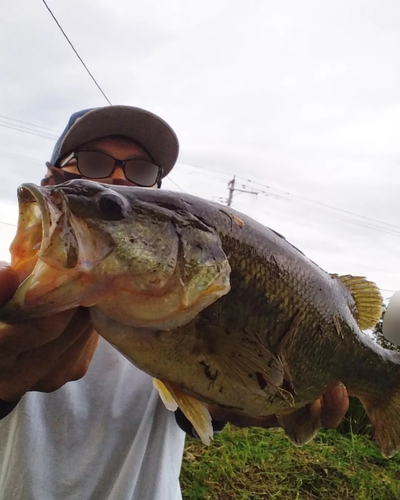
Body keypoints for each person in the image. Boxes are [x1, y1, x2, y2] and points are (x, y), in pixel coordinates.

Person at [0, 105, 349, 500]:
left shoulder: (177, 308)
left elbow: (197, 409)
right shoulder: (7, 294)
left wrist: (234, 398)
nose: (118, 177)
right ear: (51, 179)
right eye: (94, 162)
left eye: (141, 173)